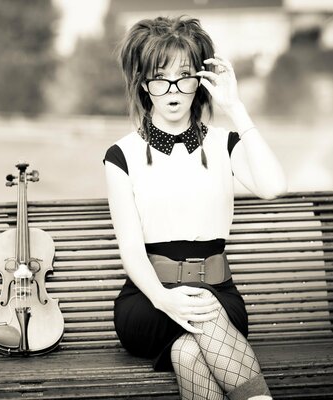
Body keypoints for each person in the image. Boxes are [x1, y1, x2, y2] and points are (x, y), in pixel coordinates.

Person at [103, 16, 287, 400]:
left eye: (184, 76)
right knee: (199, 314)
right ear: (142, 83)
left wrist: (236, 107)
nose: (172, 90)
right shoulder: (122, 155)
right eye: (159, 76)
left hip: (220, 294)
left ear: (200, 82)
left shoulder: (224, 143)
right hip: (150, 302)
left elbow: (273, 186)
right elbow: (132, 252)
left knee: (189, 350)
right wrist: (165, 299)